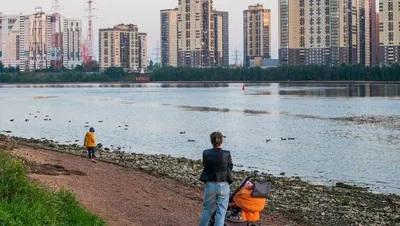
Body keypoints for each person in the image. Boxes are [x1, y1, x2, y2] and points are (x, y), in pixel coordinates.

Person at [199, 132, 233, 226]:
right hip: (223, 184)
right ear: (222, 141)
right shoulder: (226, 153)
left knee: (206, 210)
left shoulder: (206, 153)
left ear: (211, 141)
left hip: (210, 183)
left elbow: (205, 165)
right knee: (221, 212)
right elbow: (230, 167)